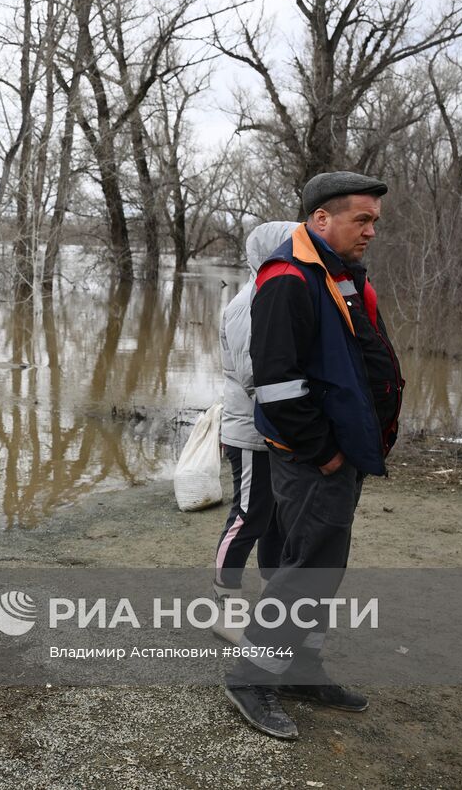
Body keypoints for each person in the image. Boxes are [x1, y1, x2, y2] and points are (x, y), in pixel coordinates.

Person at [222, 171, 405, 741]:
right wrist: (322, 451)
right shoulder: (287, 279)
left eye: (375, 220)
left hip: (346, 450)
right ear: (321, 219)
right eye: (362, 218)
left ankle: (300, 669)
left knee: (322, 568)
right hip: (314, 457)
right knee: (306, 570)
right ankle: (250, 676)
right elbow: (275, 382)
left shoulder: (338, 274)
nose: (372, 229)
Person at [213, 220, 297, 643]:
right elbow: (253, 375)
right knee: (249, 516)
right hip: (250, 431)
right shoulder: (249, 303)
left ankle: (270, 604)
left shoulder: (277, 293)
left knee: (278, 521)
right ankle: (224, 608)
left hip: (277, 431)